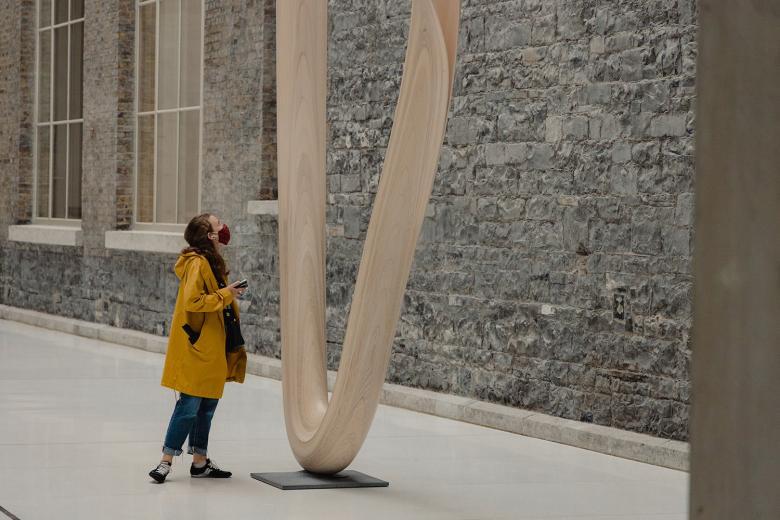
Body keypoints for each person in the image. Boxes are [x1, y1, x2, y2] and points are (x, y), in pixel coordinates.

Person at [148, 213, 248, 483]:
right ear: (210, 236)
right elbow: (194, 301)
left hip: (213, 345)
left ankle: (200, 461)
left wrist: (228, 291)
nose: (224, 227)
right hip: (198, 347)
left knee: (207, 406)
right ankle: (165, 461)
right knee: (189, 405)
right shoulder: (197, 263)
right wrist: (227, 293)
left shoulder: (212, 261)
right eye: (218, 225)